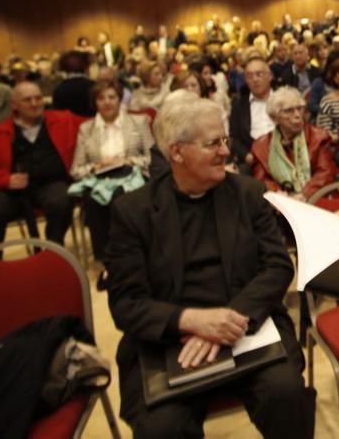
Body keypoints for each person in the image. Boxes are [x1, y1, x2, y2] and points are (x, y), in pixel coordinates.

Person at [105, 97, 314, 438]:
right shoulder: (134, 212)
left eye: (225, 140)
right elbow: (126, 303)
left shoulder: (247, 193)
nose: (225, 152)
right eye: (212, 143)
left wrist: (231, 318)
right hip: (170, 340)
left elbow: (277, 267)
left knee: (286, 395)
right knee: (162, 427)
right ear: (176, 152)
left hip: (246, 327)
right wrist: (192, 321)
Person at [0, 81, 84, 249]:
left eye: (38, 98)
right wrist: (6, 179)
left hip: (52, 184)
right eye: (27, 100)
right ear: (14, 105)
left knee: (62, 201)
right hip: (10, 190)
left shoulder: (64, 120)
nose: (35, 104)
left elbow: (99, 119)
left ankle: (54, 250)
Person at [69, 80, 154, 290]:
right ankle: (108, 264)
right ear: (95, 102)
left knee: (121, 199)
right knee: (94, 200)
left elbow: (152, 159)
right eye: (101, 98)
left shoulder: (139, 122)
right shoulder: (86, 129)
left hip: (131, 176)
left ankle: (133, 261)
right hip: (99, 180)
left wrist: (128, 161)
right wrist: (98, 165)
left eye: (111, 97)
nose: (106, 102)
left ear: (119, 99)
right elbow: (76, 169)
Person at [250, 87, 335, 200]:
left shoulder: (319, 137)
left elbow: (325, 172)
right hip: (280, 205)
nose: (297, 115)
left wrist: (303, 195)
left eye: (300, 109)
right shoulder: (261, 146)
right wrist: (280, 196)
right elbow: (262, 179)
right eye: (289, 111)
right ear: (274, 118)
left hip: (317, 200)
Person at [230, 56, 275, 174]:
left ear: (270, 76)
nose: (255, 79)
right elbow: (234, 138)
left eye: (259, 74)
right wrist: (246, 155)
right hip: (252, 159)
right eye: (249, 76)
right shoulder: (239, 105)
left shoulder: (283, 99)